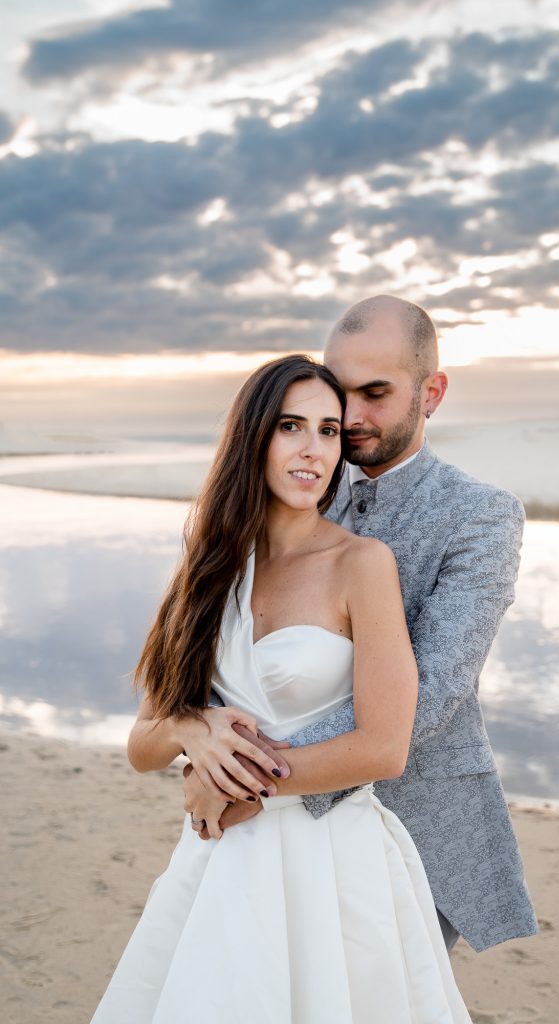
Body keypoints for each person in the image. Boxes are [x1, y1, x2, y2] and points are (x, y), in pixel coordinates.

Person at [91, 354, 473, 1023]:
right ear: (253, 438)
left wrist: (235, 780)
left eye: (330, 431)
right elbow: (142, 745)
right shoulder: (206, 569)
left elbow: (384, 748)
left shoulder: (360, 563)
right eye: (291, 426)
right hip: (220, 865)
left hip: (331, 863)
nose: (313, 450)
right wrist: (190, 730)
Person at [184, 295, 538, 954]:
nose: (347, 418)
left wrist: (246, 778)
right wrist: (199, 730)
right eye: (336, 392)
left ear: (430, 393)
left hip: (419, 818)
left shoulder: (481, 515)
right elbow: (226, 653)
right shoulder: (294, 489)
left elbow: (430, 692)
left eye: (374, 393)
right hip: (261, 828)